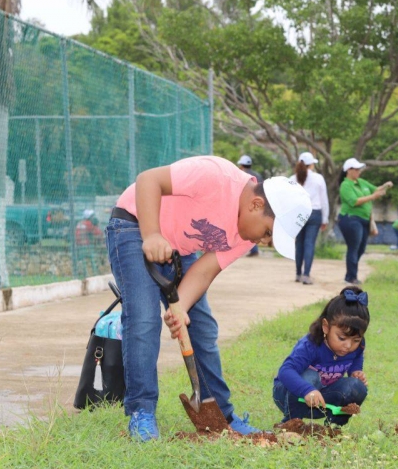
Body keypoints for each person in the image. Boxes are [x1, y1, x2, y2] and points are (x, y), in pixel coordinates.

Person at [106, 155, 312, 441]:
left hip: (180, 247)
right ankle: (141, 411)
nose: (264, 242)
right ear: (256, 205)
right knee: (143, 319)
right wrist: (152, 235)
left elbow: (204, 271)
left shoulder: (244, 234)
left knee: (201, 326)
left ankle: (222, 415)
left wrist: (181, 308)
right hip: (134, 225)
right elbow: (148, 179)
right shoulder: (215, 176)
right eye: (267, 233)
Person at [272, 287, 369, 427]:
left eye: (356, 340)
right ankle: (291, 423)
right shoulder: (311, 344)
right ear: (326, 327)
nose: (348, 346)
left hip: (323, 398)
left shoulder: (357, 346)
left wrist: (355, 371)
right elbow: (285, 371)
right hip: (290, 394)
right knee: (311, 376)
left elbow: (356, 356)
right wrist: (307, 390)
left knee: (357, 387)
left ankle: (333, 427)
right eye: (342, 338)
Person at [337, 158, 392, 285]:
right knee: (354, 247)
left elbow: (375, 189)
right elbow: (354, 201)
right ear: (348, 171)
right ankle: (351, 277)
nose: (358, 172)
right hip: (351, 219)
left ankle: (350, 274)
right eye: (356, 169)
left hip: (364, 219)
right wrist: (373, 197)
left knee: (361, 248)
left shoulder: (361, 182)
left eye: (359, 169)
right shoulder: (346, 185)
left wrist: (385, 186)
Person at [290, 152, 330, 285]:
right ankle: (306, 275)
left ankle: (298, 274)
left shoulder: (292, 179)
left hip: (299, 213)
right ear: (311, 164)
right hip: (314, 213)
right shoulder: (318, 178)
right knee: (309, 244)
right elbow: (324, 200)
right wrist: (325, 219)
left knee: (299, 244)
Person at [237, 155, 264, 256]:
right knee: (253, 227)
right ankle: (253, 249)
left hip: (243, 205)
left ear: (241, 165)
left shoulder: (241, 175)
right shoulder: (257, 175)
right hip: (257, 206)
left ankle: (246, 249)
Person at [75, 209, 104, 277]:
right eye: (92, 216)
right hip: (86, 246)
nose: (93, 218)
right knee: (96, 256)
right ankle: (95, 273)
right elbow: (98, 234)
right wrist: (97, 226)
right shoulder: (89, 223)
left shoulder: (80, 222)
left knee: (85, 260)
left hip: (79, 246)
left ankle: (87, 273)